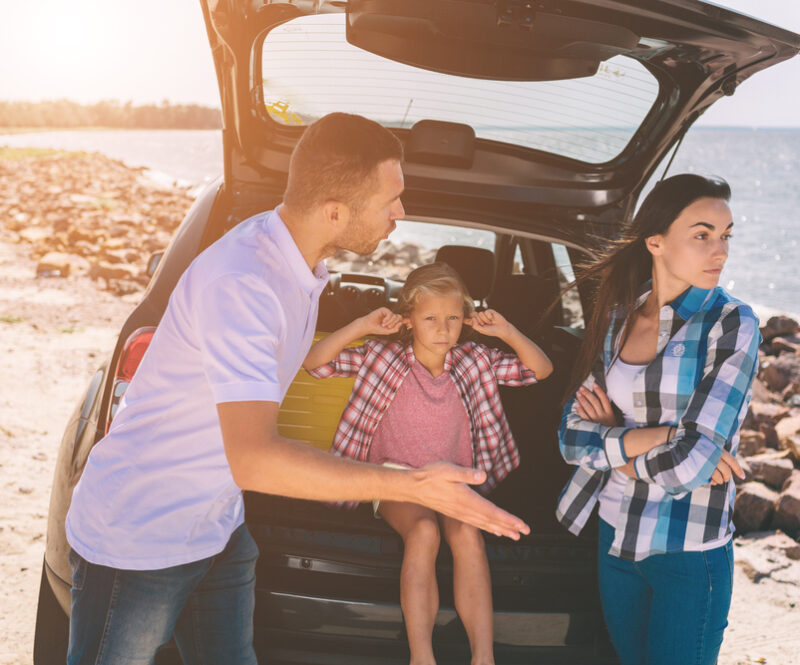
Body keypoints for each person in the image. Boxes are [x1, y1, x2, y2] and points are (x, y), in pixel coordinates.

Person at [64, 113, 529, 665]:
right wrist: (414, 486)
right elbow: (255, 461)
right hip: (139, 536)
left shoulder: (300, 267)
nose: (401, 213)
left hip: (217, 526)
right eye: (391, 200)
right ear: (335, 211)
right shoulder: (245, 285)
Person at [303, 261, 553, 665]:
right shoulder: (381, 357)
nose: (443, 329)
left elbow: (539, 370)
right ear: (408, 321)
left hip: (455, 487)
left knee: (468, 537)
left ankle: (483, 657)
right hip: (396, 483)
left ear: (465, 320)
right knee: (422, 533)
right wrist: (362, 325)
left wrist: (507, 331)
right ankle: (422, 657)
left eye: (453, 318)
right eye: (431, 318)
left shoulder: (475, 360)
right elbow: (315, 363)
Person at [555, 173, 759, 665]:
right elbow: (570, 436)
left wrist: (615, 445)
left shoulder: (733, 323)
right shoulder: (618, 317)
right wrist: (666, 436)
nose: (721, 251)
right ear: (655, 241)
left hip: (688, 550)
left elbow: (691, 465)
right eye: (702, 234)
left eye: (726, 235)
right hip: (614, 534)